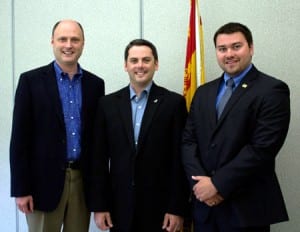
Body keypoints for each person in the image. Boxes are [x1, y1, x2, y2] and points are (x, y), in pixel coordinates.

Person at [181, 22, 290, 232]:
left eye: (236, 46)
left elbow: (262, 149)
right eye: (222, 49)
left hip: (246, 209)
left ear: (251, 48)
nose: (229, 53)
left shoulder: (272, 90)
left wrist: (217, 185)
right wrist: (200, 186)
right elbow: (188, 141)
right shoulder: (203, 92)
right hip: (205, 209)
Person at [9, 19, 105, 232]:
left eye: (75, 40)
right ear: (52, 42)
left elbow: (97, 143)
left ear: (83, 44)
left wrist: (99, 193)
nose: (68, 45)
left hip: (82, 183)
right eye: (63, 39)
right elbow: (19, 139)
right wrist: (21, 189)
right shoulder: (31, 81)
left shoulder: (95, 85)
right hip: (41, 185)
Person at [89, 39, 190, 232]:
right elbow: (98, 160)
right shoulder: (107, 105)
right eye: (134, 60)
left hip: (161, 210)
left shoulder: (173, 103)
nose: (140, 65)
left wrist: (177, 207)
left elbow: (180, 160)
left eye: (146, 60)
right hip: (119, 208)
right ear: (125, 65)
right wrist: (100, 205)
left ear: (156, 64)